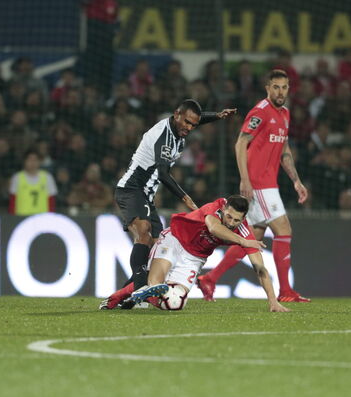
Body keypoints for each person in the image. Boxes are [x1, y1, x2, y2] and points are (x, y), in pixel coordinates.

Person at [196, 69, 311, 303]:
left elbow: (285, 151)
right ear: (268, 88)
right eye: (276, 87)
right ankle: (286, 291)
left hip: (270, 183)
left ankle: (210, 278)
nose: (280, 92)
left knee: (253, 235)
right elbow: (240, 143)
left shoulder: (285, 114)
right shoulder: (260, 112)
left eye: (284, 87)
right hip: (258, 184)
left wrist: (296, 180)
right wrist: (245, 179)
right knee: (284, 230)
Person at [106, 99, 237, 303]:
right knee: (143, 231)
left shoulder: (179, 130)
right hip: (132, 189)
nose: (189, 127)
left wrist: (217, 115)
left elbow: (195, 118)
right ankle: (140, 290)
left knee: (158, 247)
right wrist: (186, 198)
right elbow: (163, 174)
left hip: (146, 195)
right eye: (186, 122)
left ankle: (123, 296)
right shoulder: (164, 136)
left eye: (193, 125)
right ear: (176, 114)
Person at [101, 196, 289, 313]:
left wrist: (272, 301)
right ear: (224, 209)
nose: (231, 222)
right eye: (229, 216)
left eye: (236, 220)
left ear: (244, 219)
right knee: (155, 283)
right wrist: (243, 241)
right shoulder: (215, 207)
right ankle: (124, 295)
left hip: (194, 258)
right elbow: (214, 228)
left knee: (175, 304)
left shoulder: (244, 232)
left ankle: (138, 292)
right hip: (174, 240)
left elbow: (260, 267)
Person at [9, 150, 57, 215]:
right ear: (24, 161)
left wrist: (50, 217)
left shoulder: (47, 177)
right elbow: (12, 201)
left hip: (41, 218)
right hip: (22, 218)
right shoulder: (17, 178)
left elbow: (51, 201)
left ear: (39, 162)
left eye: (35, 160)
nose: (32, 163)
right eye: (30, 160)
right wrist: (12, 217)